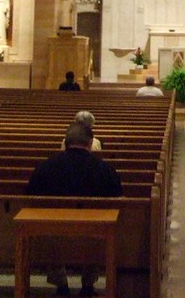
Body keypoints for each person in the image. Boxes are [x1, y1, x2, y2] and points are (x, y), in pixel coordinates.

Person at [25, 122, 123, 297]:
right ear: (91, 142)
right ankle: (87, 285)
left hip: (51, 238)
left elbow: (30, 200)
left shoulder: (44, 168)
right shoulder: (105, 169)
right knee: (100, 224)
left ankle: (61, 285)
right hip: (95, 238)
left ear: (65, 142)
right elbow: (118, 203)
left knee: (48, 228)